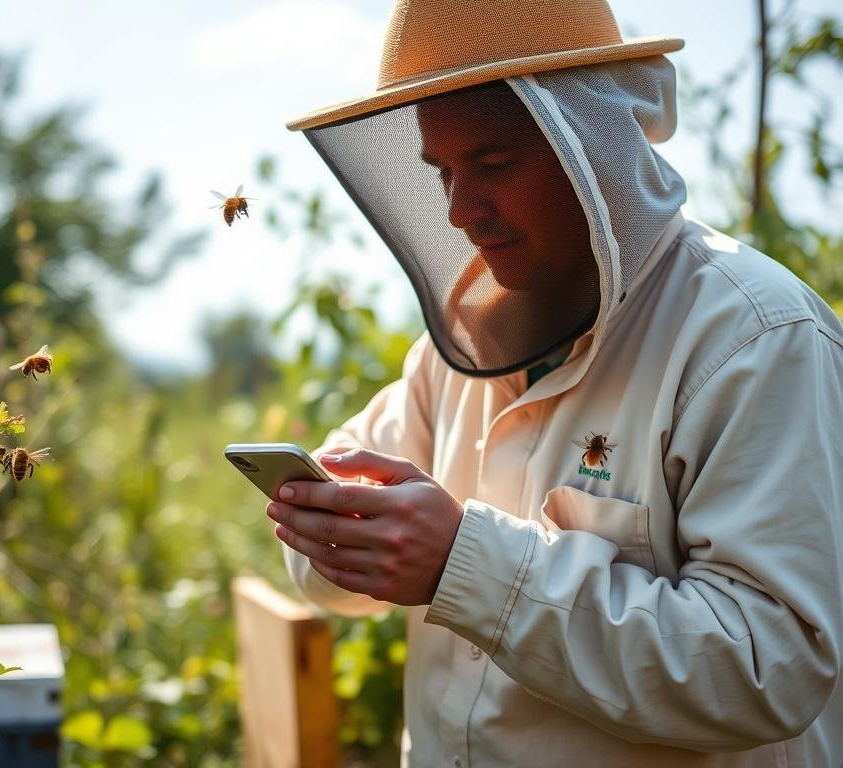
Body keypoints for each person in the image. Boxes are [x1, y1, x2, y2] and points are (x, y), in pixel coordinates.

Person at [267, 0, 843, 765]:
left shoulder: (753, 338)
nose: (460, 211)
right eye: (443, 172)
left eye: (494, 163)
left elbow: (771, 669)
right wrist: (330, 528)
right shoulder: (459, 350)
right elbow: (330, 565)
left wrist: (463, 564)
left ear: (593, 140)